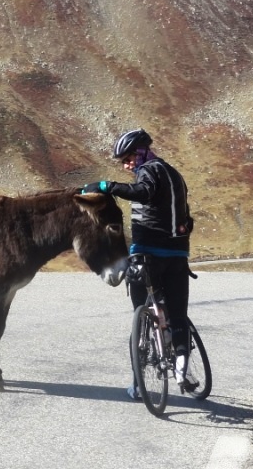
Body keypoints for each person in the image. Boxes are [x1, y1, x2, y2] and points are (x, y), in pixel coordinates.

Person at [83, 128, 196, 398]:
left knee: (141, 316)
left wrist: (106, 186)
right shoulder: (176, 176)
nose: (127, 164)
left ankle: (138, 383)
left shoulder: (149, 171)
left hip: (147, 255)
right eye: (124, 161)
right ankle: (182, 364)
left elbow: (143, 192)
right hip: (179, 256)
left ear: (143, 151)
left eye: (129, 157)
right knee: (178, 315)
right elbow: (187, 219)